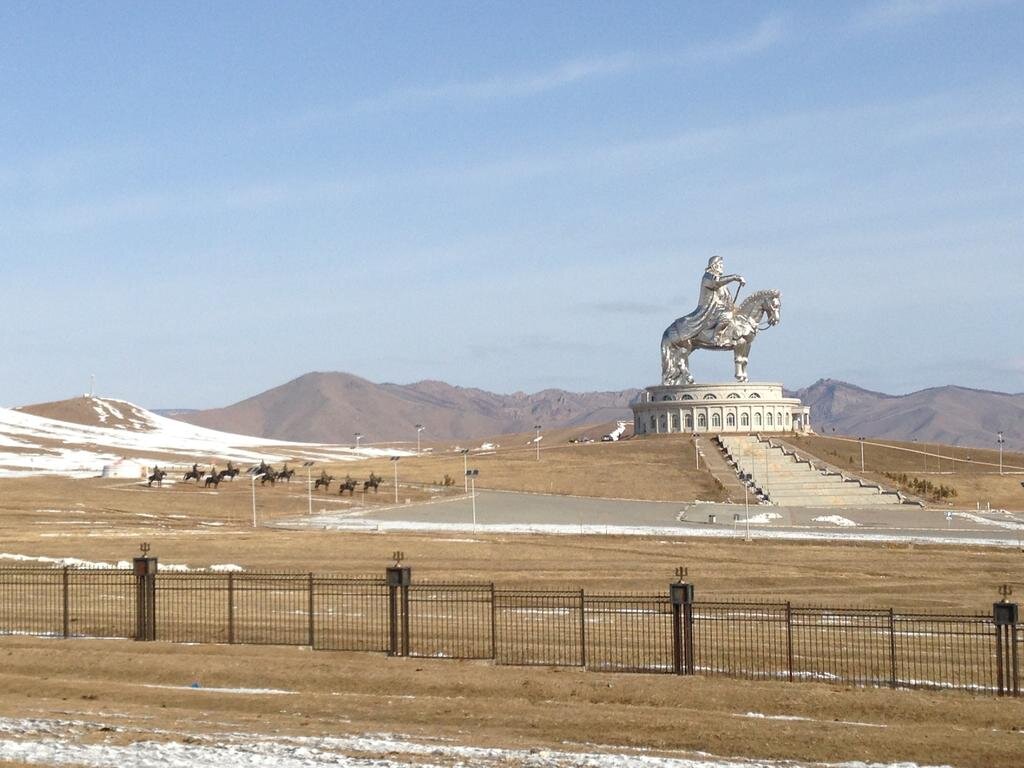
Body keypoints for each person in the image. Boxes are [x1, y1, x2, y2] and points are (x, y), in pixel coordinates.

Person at [673, 255, 746, 346]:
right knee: (727, 316)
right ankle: (716, 337)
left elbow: (725, 297)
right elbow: (716, 283)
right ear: (714, 266)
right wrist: (735, 277)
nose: (722, 266)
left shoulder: (721, 282)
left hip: (719, 308)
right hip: (710, 309)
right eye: (720, 264)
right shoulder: (708, 277)